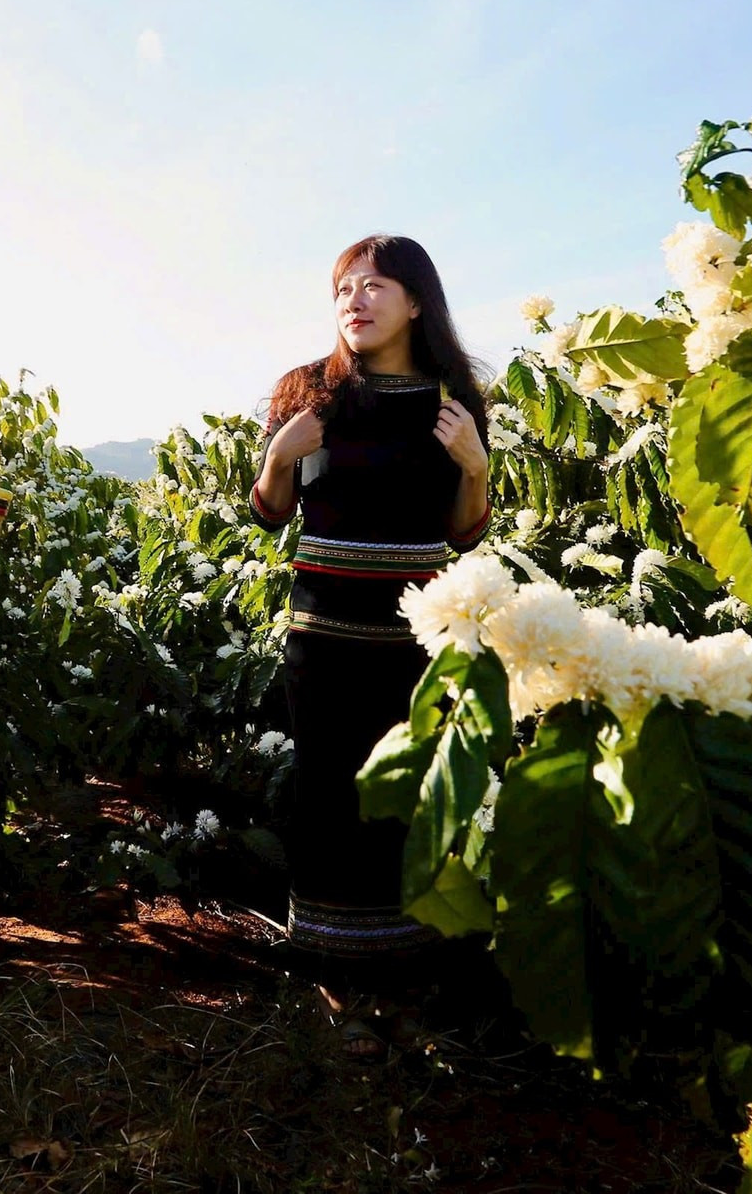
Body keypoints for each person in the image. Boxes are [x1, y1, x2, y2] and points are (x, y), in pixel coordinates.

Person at [248, 234, 491, 1061]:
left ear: (416, 302)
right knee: (328, 799)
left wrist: (474, 467)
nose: (356, 299)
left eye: (376, 285)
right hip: (322, 638)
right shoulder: (307, 392)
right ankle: (332, 977)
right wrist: (279, 457)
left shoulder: (453, 401)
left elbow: (462, 534)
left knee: (408, 799)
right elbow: (270, 513)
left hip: (415, 641)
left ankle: (408, 977)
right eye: (344, 287)